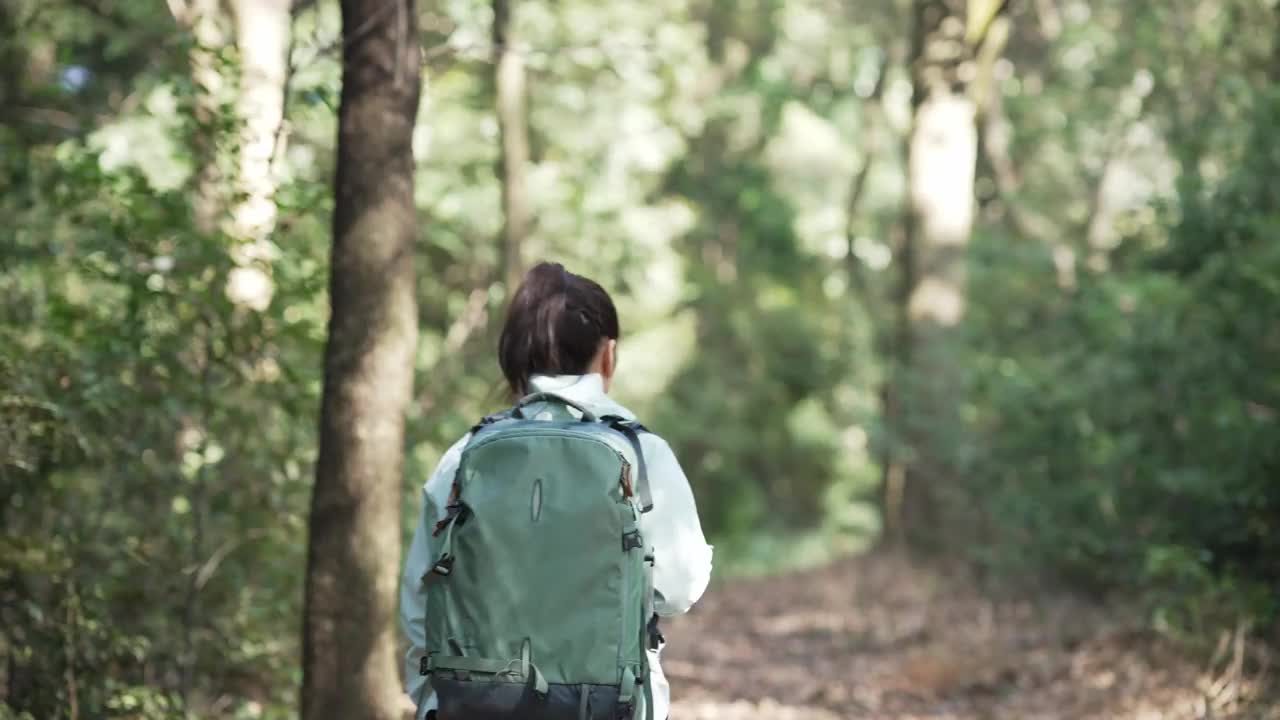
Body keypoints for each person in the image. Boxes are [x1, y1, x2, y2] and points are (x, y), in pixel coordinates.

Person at [400, 261, 713, 720]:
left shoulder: (463, 456)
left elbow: (419, 601)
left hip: (474, 703)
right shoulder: (641, 453)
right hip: (606, 704)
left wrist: (436, 696)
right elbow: (679, 588)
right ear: (608, 355)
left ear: (514, 357)